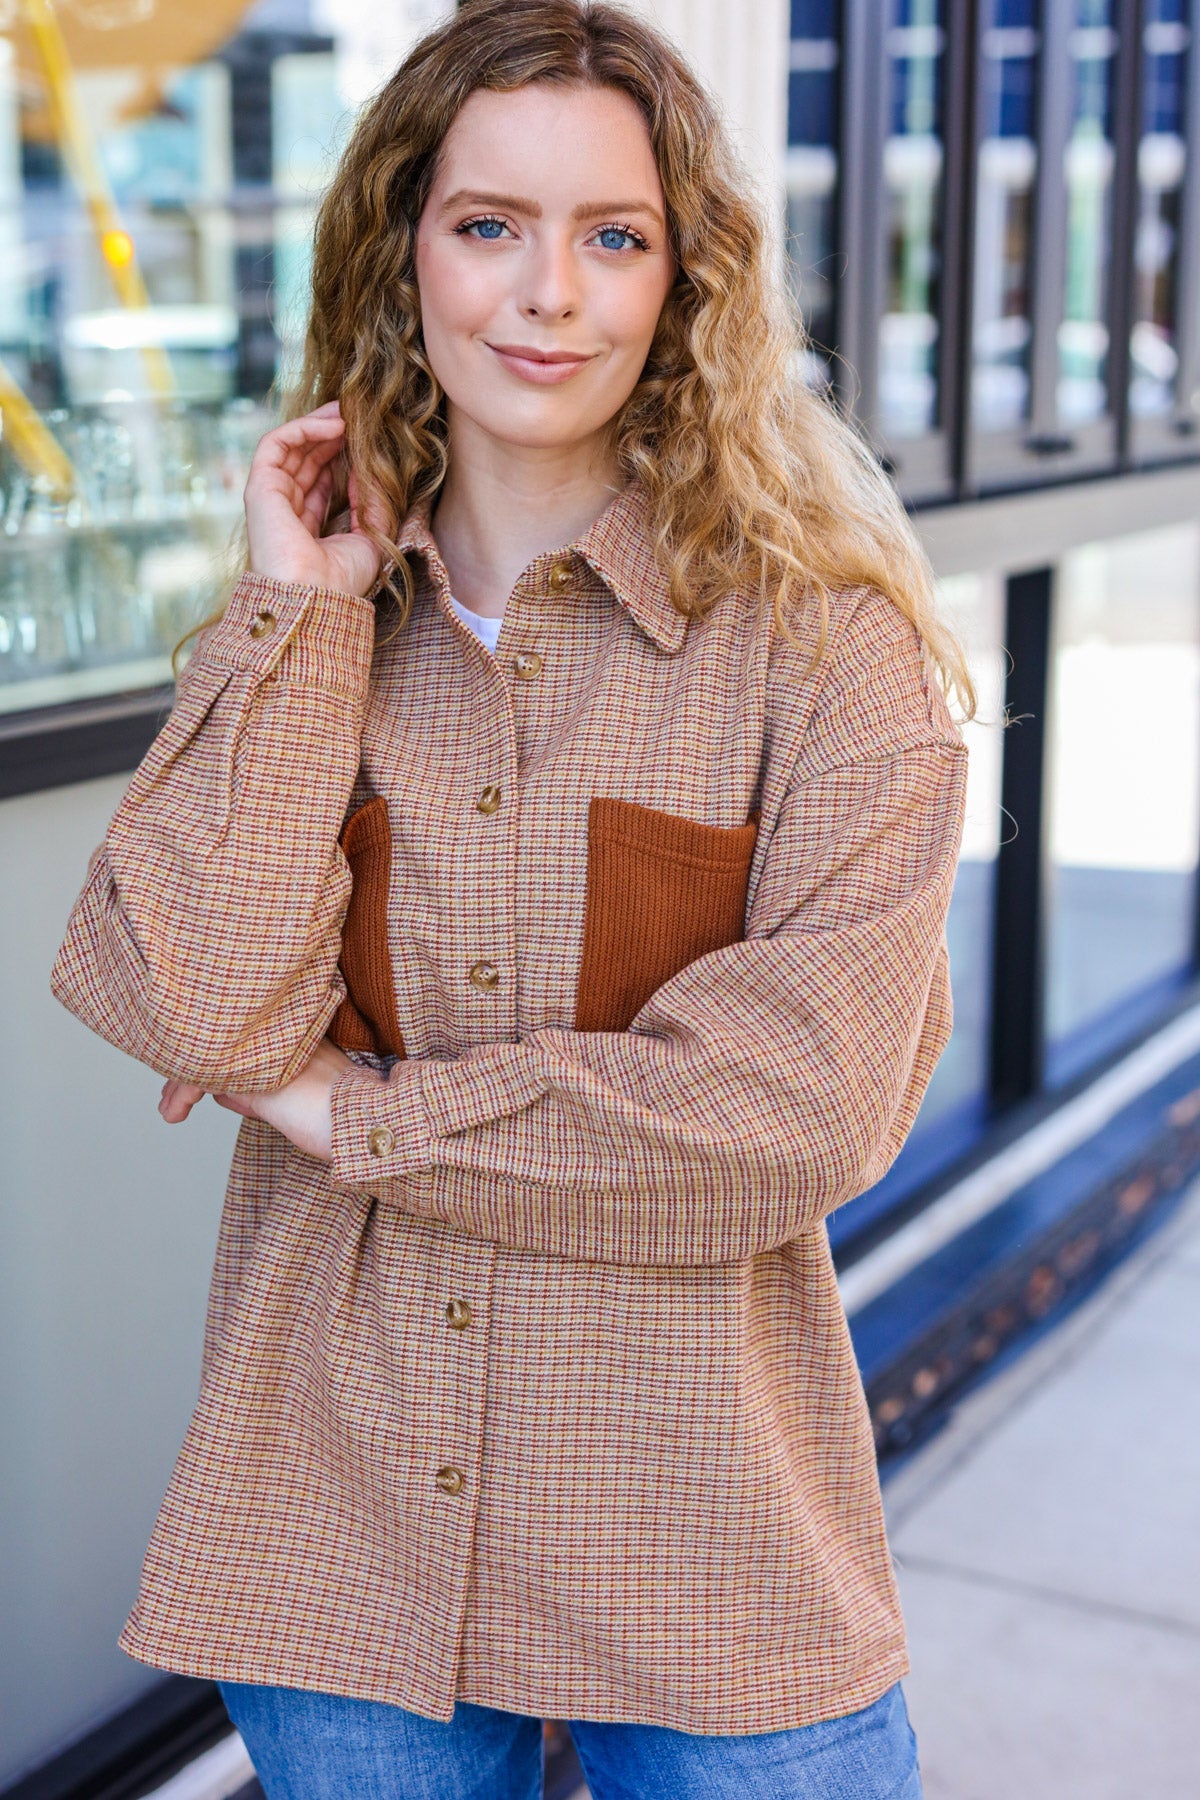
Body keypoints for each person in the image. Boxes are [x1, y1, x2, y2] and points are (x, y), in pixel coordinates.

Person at [50, 2, 976, 1794]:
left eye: (611, 236)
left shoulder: (826, 654)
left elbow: (794, 1107)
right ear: (403, 253)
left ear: (682, 282)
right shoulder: (313, 621)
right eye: (490, 226)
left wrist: (344, 1110)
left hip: (711, 1544)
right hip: (340, 1519)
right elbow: (180, 989)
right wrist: (300, 622)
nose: (549, 292)